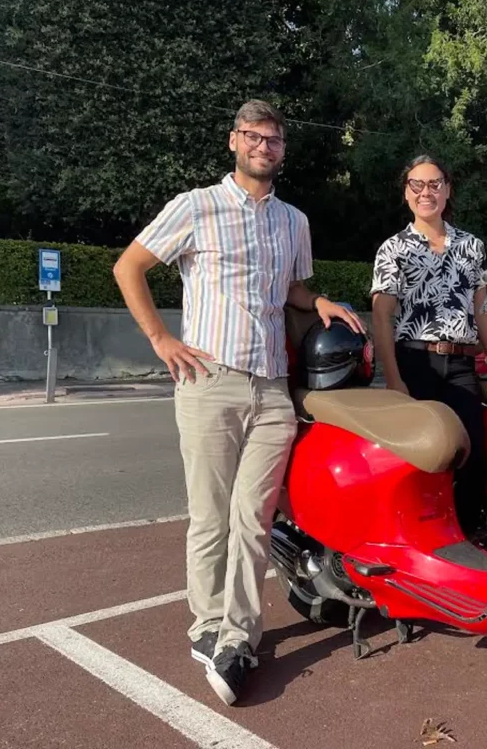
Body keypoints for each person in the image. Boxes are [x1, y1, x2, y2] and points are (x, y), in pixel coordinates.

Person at [112, 99, 364, 707]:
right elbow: (130, 266)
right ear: (234, 141)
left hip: (272, 389)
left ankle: (238, 637)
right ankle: (208, 625)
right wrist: (161, 339)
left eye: (274, 139)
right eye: (253, 137)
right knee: (209, 517)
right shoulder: (196, 205)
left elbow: (294, 290)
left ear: (282, 149)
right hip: (210, 380)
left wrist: (319, 301)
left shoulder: (294, 221)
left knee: (254, 518)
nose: (264, 147)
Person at [370, 155, 487, 537]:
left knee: (473, 452)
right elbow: (382, 316)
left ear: (447, 189)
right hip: (415, 363)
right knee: (422, 455)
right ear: (407, 193)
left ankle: (467, 533)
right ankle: (420, 535)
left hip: (459, 365)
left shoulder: (471, 246)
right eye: (417, 185)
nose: (427, 192)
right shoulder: (394, 249)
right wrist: (393, 379)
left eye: (435, 184)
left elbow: (482, 309)